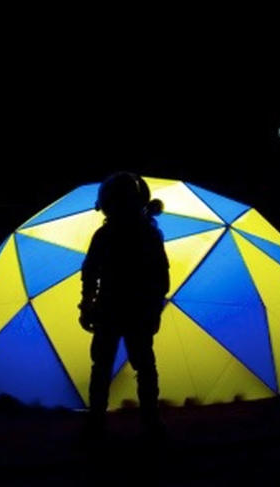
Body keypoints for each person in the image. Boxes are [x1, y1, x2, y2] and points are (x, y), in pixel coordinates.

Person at [79, 172, 170, 442]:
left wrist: (87, 305)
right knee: (143, 366)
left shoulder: (105, 234)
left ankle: (97, 423)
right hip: (136, 311)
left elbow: (89, 272)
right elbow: (161, 278)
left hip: (111, 310)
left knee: (103, 366)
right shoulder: (149, 235)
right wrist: (154, 309)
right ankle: (150, 423)